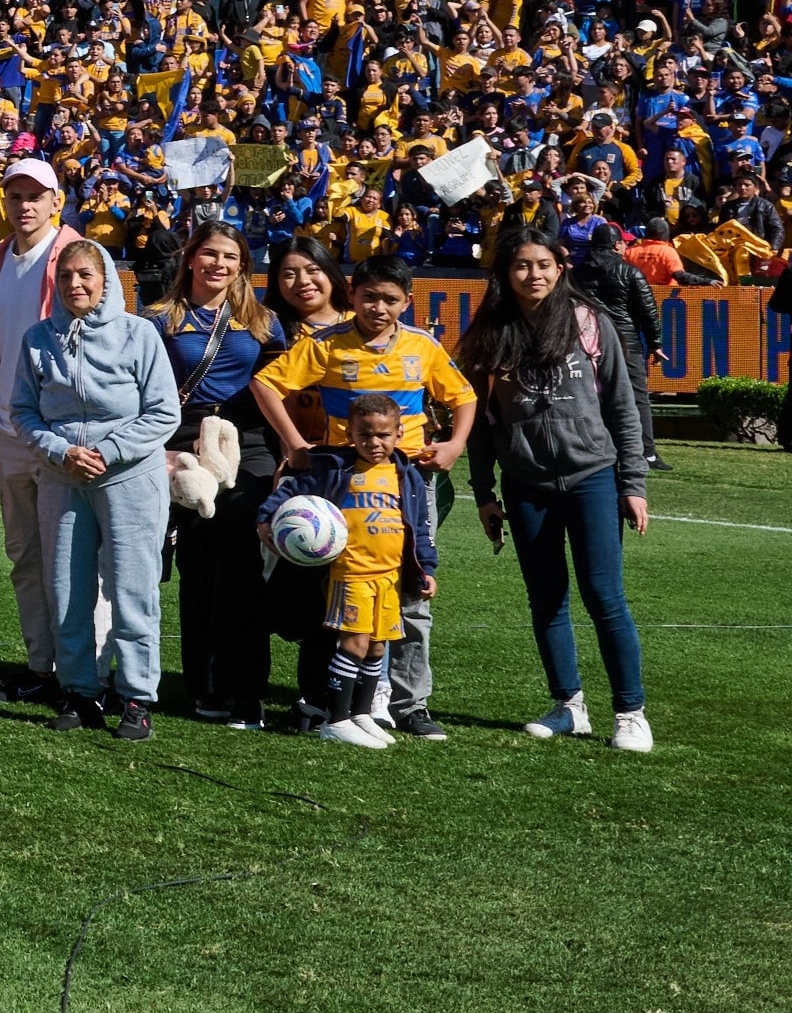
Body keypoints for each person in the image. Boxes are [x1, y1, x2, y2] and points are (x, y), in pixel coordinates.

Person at [250, 257, 475, 742]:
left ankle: (408, 702)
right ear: (351, 295)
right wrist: (293, 444)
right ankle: (343, 706)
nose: (378, 307)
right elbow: (265, 383)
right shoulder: (327, 345)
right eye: (369, 296)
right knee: (343, 595)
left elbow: (464, 396)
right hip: (345, 485)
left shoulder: (423, 346)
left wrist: (455, 444)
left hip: (409, 481)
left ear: (406, 303)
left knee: (412, 590)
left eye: (390, 299)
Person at [459, 230, 658, 752]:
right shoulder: (488, 335)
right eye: (522, 265)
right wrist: (484, 493)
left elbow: (624, 407)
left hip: (593, 475)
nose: (534, 275)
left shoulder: (590, 322)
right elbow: (478, 424)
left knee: (604, 595)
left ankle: (631, 711)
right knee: (546, 600)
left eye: (543, 264)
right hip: (525, 485)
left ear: (560, 266)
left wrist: (632, 483)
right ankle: (569, 706)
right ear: (505, 274)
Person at [8, 234, 181, 740]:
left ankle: (135, 697)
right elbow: (22, 410)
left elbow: (163, 412)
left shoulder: (139, 334)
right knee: (65, 590)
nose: (75, 284)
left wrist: (109, 450)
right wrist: (60, 451)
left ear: (106, 281)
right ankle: (79, 690)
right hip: (63, 480)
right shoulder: (38, 338)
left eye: (85, 275)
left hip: (129, 479)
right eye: (65, 276)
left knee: (132, 589)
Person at [153, 225, 288, 727]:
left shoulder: (263, 322)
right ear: (190, 258)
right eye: (209, 253)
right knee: (197, 566)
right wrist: (161, 453)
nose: (218, 264)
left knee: (241, 564)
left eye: (230, 257)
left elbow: (282, 389)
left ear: (242, 265)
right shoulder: (158, 319)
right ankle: (204, 686)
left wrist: (284, 452)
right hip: (182, 441)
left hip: (245, 441)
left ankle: (247, 688)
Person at [268, 393, 434, 748]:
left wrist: (426, 568)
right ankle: (337, 719)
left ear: (399, 434)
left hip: (388, 577)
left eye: (383, 435)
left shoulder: (407, 476)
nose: (374, 442)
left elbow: (419, 527)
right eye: (365, 435)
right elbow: (292, 490)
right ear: (349, 432)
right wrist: (267, 517)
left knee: (376, 646)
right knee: (354, 644)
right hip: (350, 575)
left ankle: (360, 713)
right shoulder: (334, 468)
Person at [0, 156, 75, 704]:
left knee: (73, 557)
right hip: (7, 429)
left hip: (59, 434)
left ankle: (79, 670)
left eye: (36, 195)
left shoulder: (76, 256)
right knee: (26, 556)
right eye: (15, 196)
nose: (25, 205)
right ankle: (42, 665)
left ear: (56, 200)